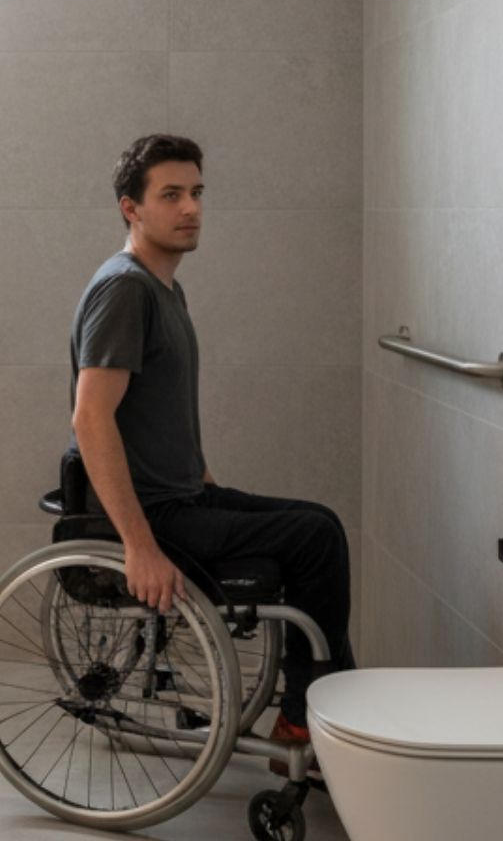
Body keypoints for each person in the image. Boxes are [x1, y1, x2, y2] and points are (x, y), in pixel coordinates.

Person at [64, 133, 356, 766]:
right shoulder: (126, 290)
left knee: (322, 523)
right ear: (130, 208)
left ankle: (334, 712)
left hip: (182, 493)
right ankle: (306, 722)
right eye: (170, 195)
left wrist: (198, 470)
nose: (190, 208)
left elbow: (153, 406)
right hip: (153, 515)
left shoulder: (164, 288)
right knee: (315, 537)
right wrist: (140, 548)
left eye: (196, 193)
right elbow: (91, 419)